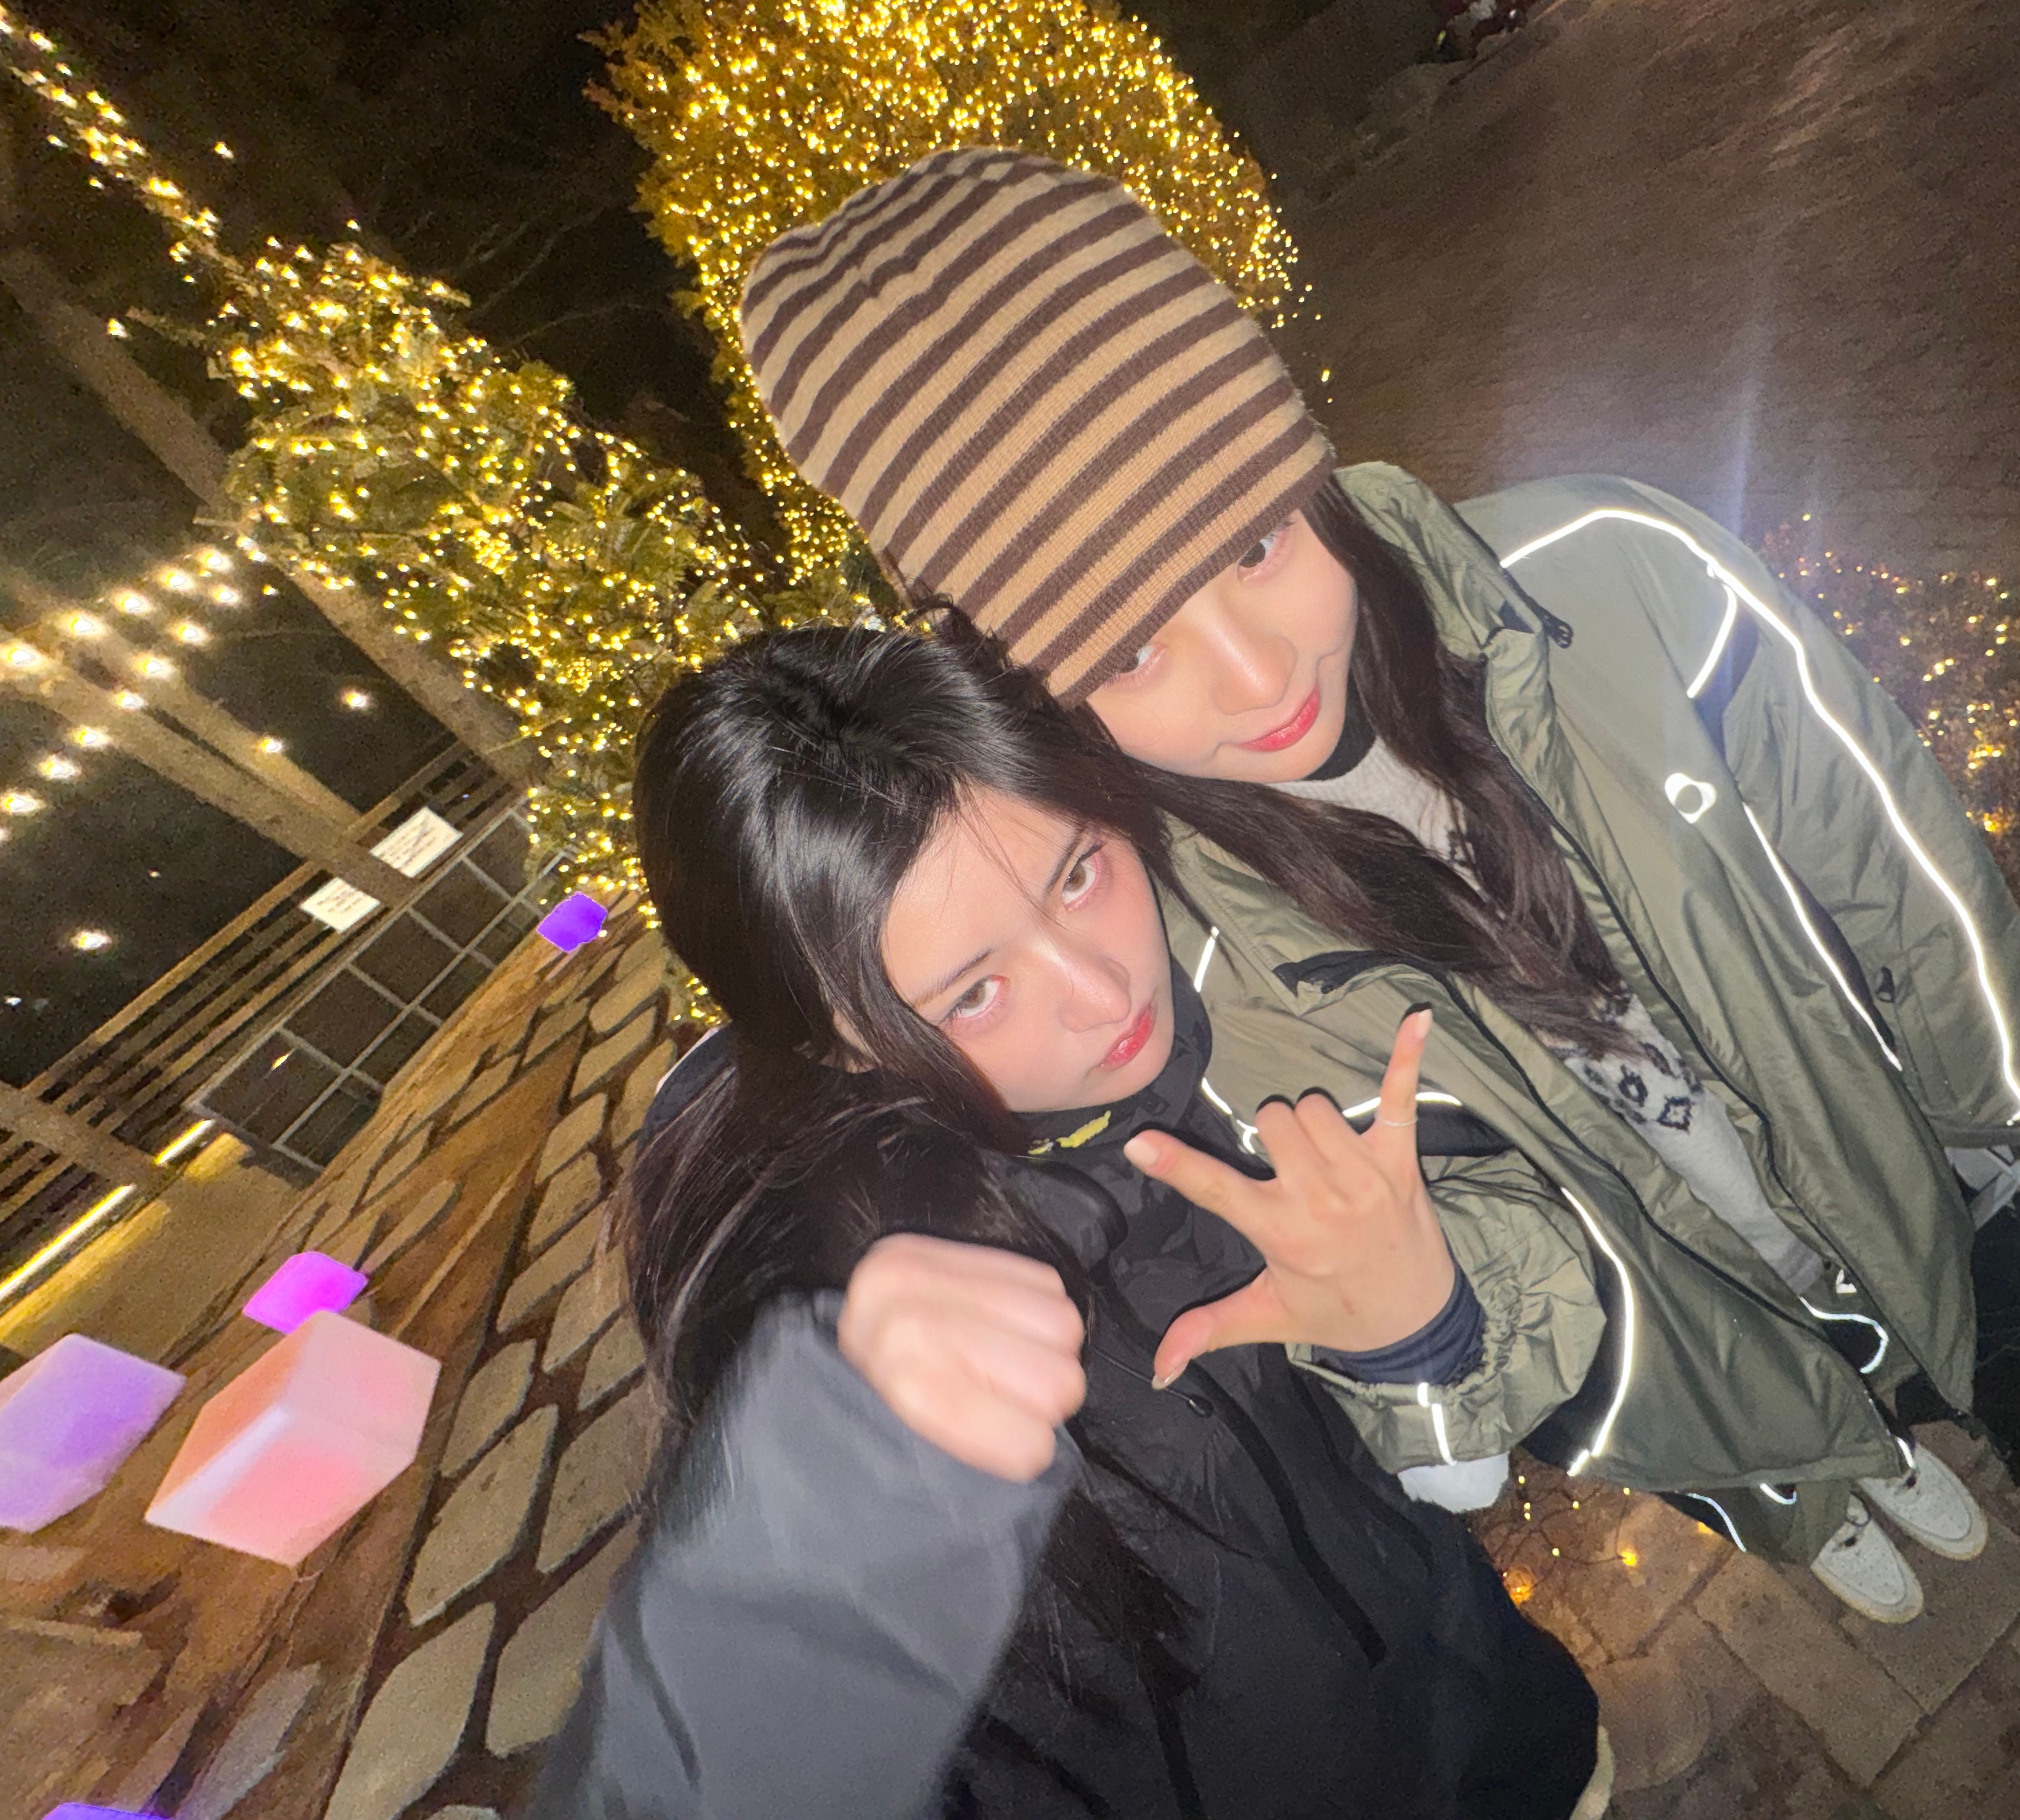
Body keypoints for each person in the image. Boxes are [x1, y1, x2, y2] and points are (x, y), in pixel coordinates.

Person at [736, 146, 2020, 1623]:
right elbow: (1477, 1248)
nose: (1257, 675)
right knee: (1784, 1442)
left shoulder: (1614, 579)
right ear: (1038, 688)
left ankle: (1899, 1397)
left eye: (1257, 542)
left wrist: (1978, 1129)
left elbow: (1894, 859)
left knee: (1949, 1328)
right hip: (1708, 1374)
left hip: (1886, 1176)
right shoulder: (1201, 969)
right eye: (1130, 651)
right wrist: (1433, 1331)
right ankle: (1828, 1482)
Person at [529, 625, 1615, 1818]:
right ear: (842, 1044)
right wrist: (808, 1534)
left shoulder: (1248, 995)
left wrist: (1421, 1333)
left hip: (1510, 1727)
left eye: (1079, 874)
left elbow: (1459, 1440)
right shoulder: (856, 1340)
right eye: (978, 992)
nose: (1106, 994)